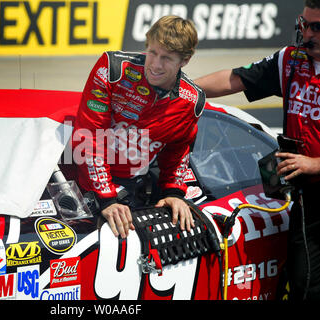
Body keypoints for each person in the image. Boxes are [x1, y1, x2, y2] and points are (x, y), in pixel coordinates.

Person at [194, 0, 320, 300]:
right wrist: (176, 88)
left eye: (316, 27)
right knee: (303, 283)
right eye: (304, 23)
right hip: (306, 199)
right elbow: (233, 79)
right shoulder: (290, 60)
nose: (307, 34)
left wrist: (315, 165)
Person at [72, 16, 205, 239]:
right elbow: (89, 136)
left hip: (130, 186)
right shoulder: (113, 69)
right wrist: (107, 197)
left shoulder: (191, 101)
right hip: (76, 178)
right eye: (152, 52)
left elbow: (178, 151)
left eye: (166, 58)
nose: (155, 64)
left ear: (185, 60)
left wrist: (173, 192)